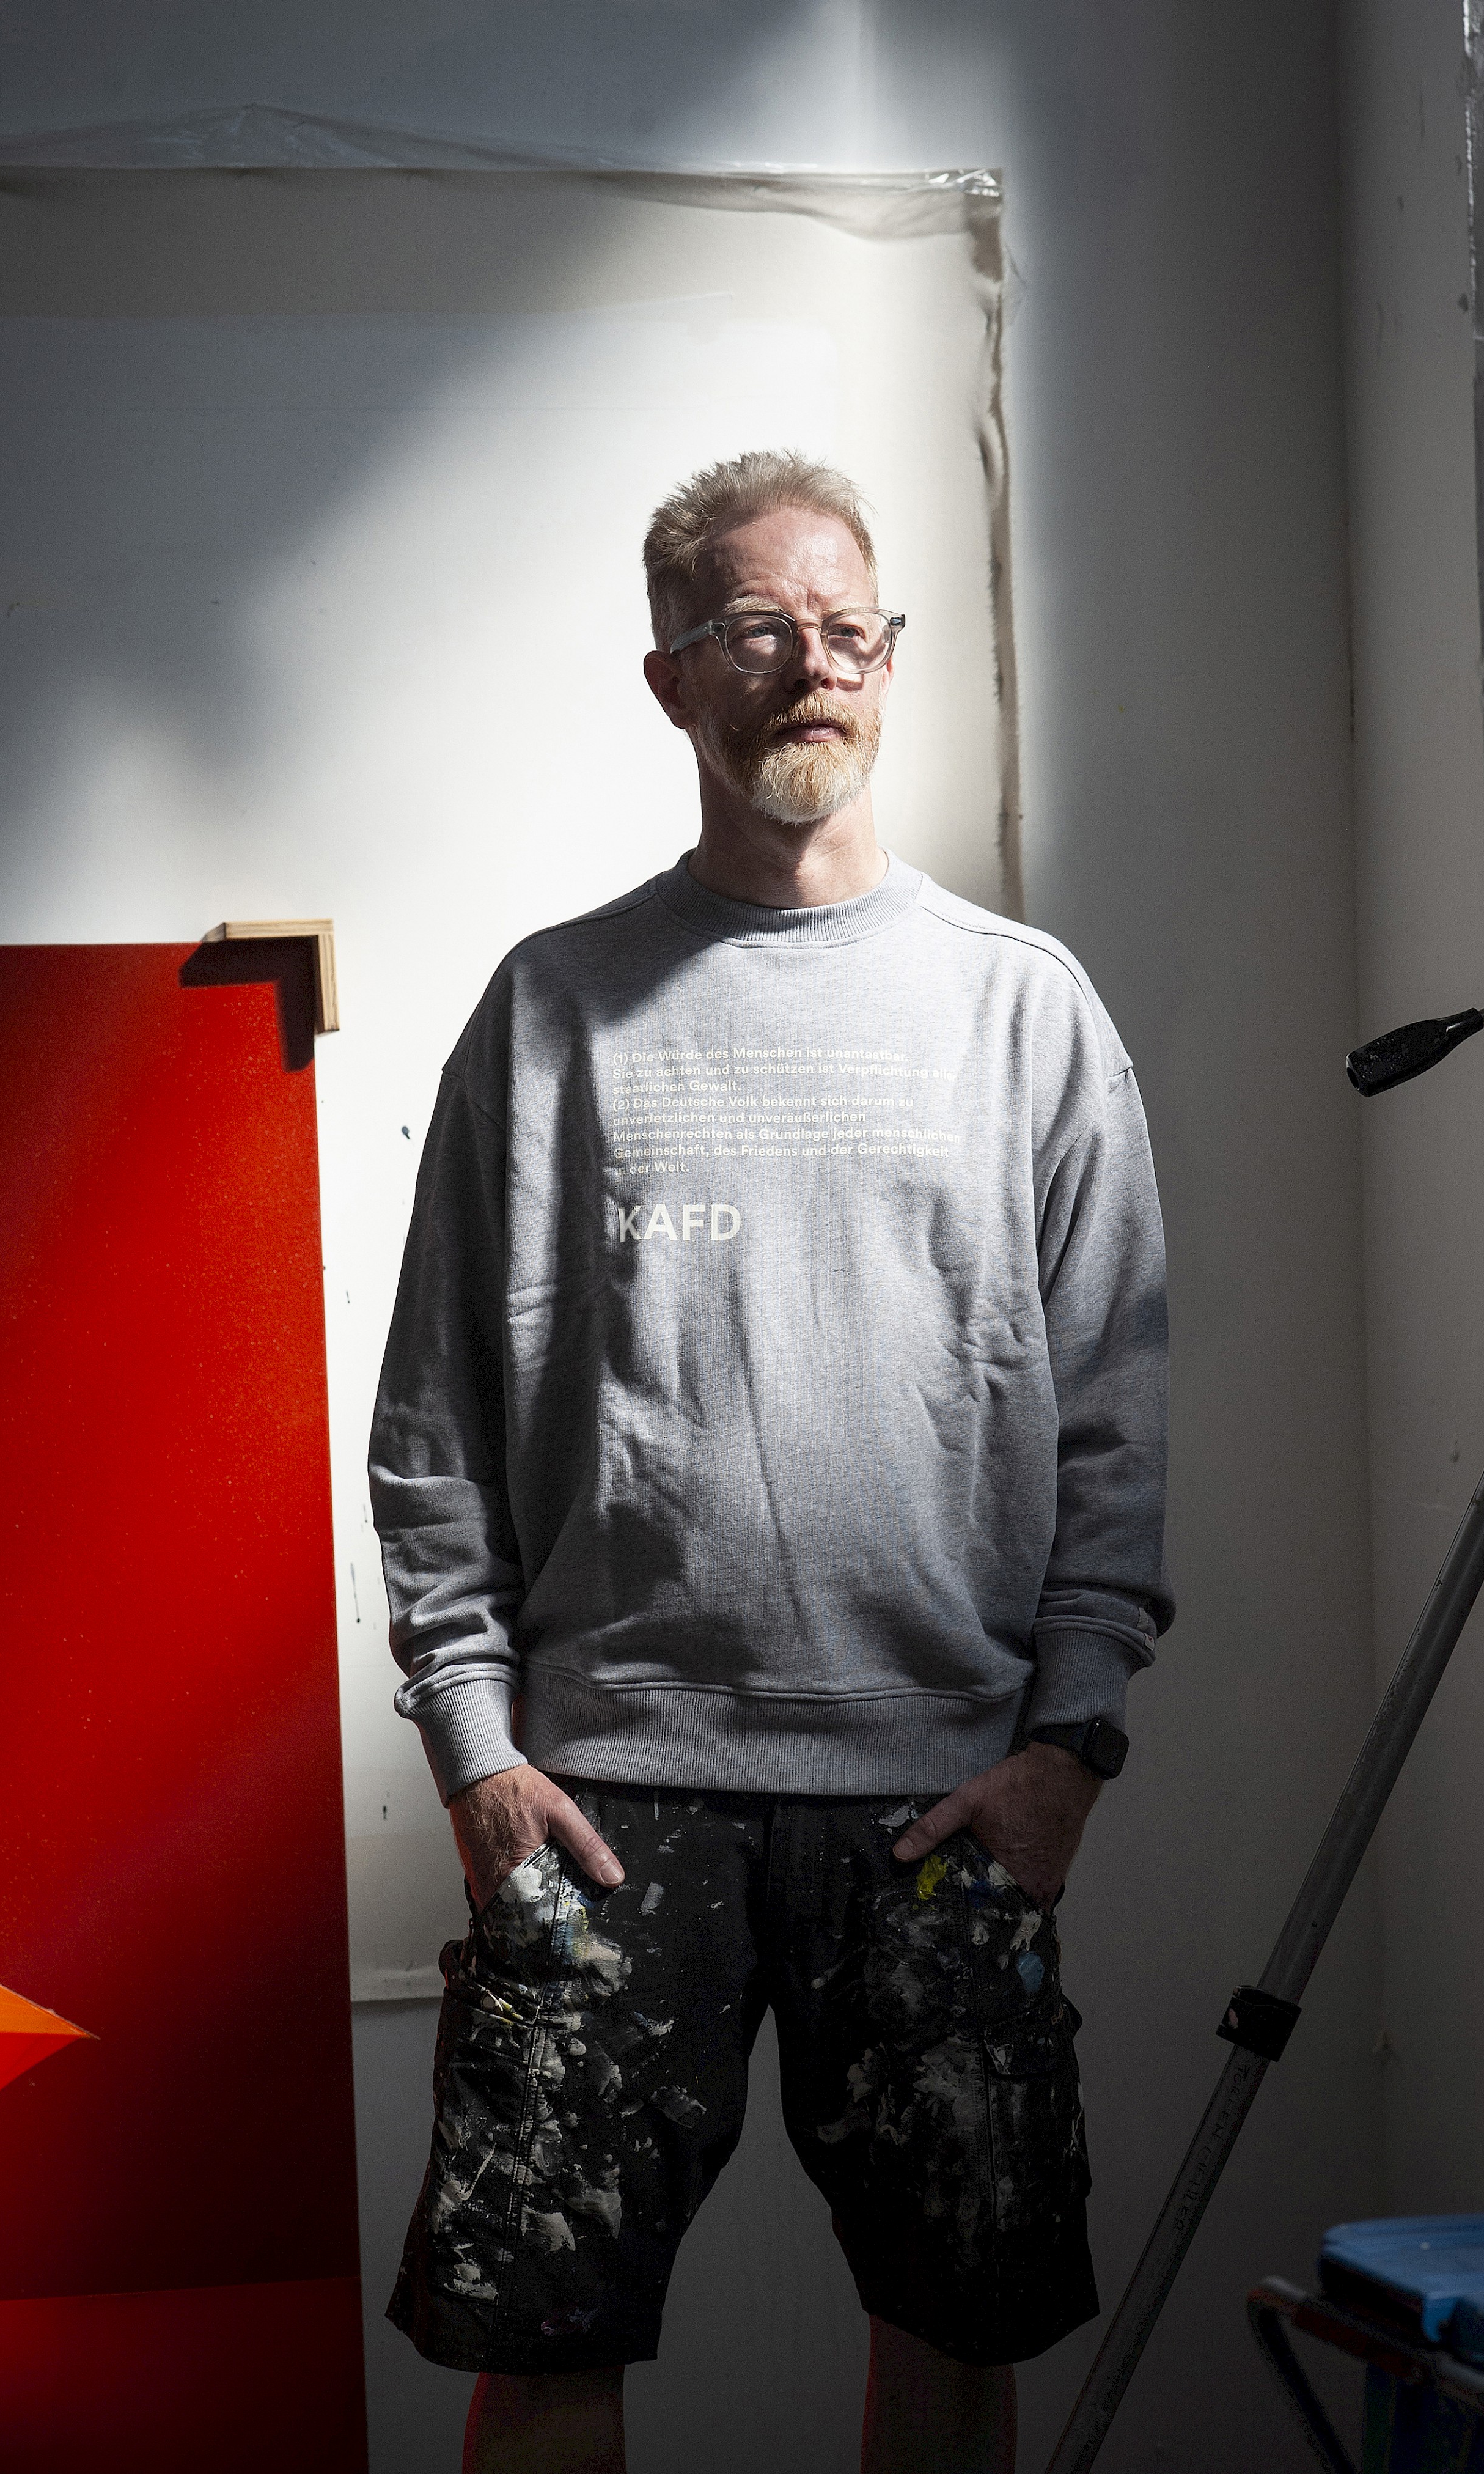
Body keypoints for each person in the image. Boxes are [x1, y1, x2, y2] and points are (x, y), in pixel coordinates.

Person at [369, 448, 1172, 2474]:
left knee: (954, 2335)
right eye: (752, 629)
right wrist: (473, 1749)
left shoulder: (1021, 1014)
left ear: (887, 661)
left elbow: (1114, 1418)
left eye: (844, 629)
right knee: (542, 2344)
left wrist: (1068, 1746)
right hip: (604, 1803)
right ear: (669, 677)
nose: (809, 666)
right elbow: (433, 1424)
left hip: (940, 1798)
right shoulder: (553, 1012)